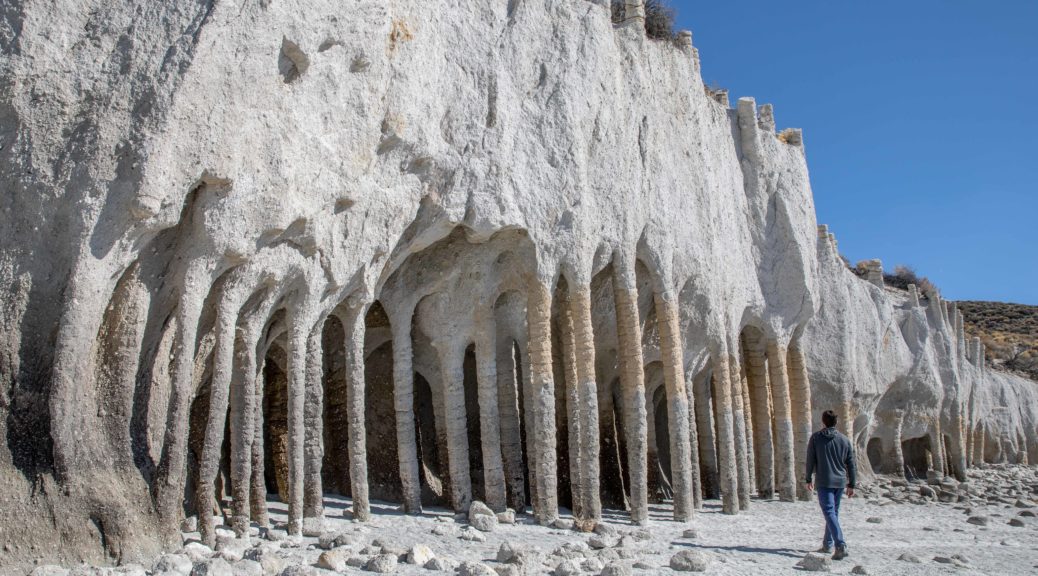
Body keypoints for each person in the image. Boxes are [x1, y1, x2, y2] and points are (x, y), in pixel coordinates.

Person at [805, 409, 856, 560]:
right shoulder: (844, 439)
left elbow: (810, 460)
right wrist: (851, 484)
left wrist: (808, 479)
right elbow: (851, 464)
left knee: (829, 512)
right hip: (840, 482)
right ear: (836, 422)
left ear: (823, 421)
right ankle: (828, 544)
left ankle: (840, 545)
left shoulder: (816, 438)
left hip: (824, 481)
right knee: (833, 512)